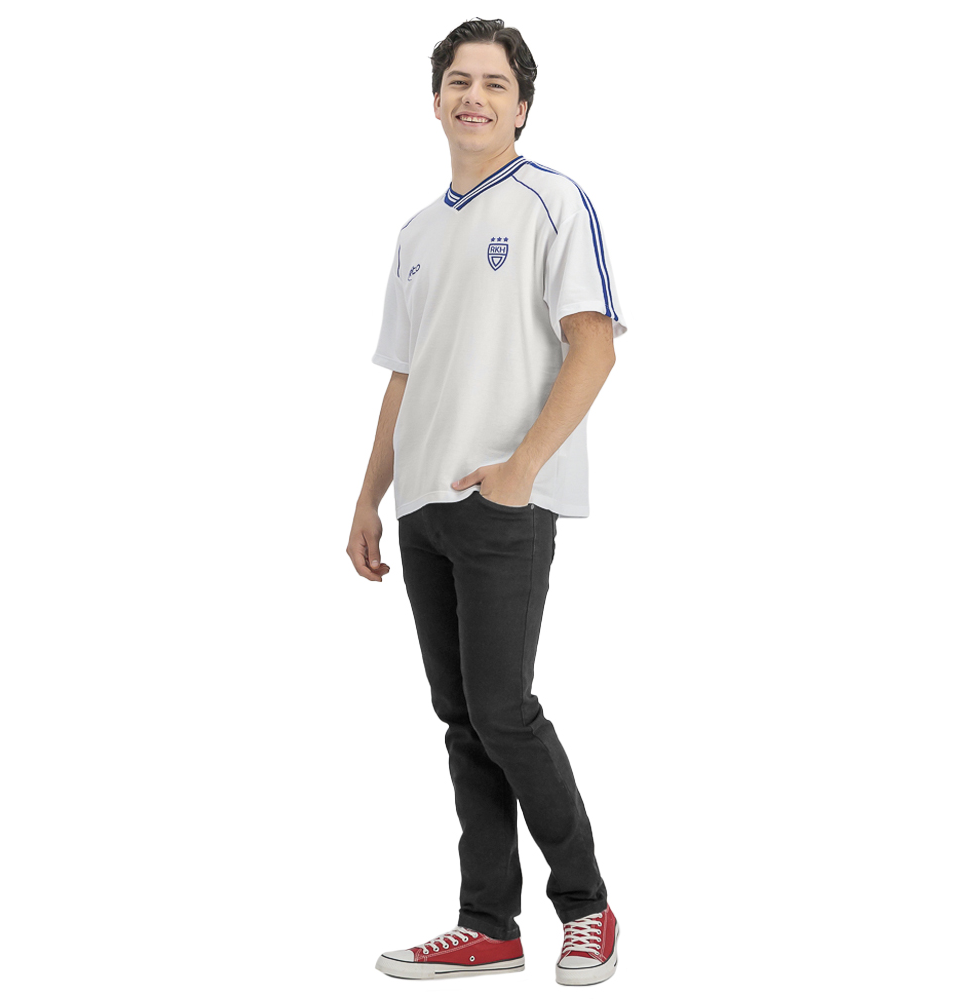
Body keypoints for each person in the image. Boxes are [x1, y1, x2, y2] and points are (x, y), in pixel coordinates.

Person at [347, 17, 627, 987]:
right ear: (435, 101)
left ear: (522, 107)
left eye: (494, 84)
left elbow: (595, 345)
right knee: (463, 717)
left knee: (504, 710)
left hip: (505, 502)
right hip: (423, 508)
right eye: (458, 81)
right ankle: (487, 925)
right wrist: (368, 499)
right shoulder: (415, 233)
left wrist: (520, 469)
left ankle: (587, 908)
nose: (474, 96)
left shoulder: (552, 201)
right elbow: (404, 375)